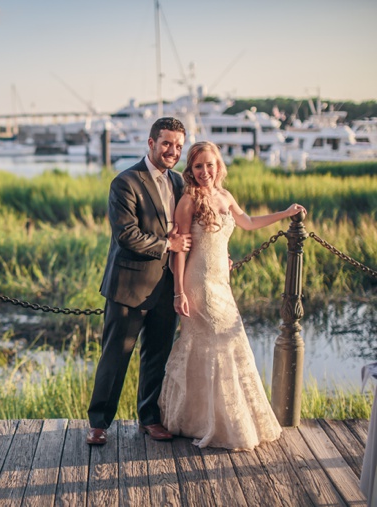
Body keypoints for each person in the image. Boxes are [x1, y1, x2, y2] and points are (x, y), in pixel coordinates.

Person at [159, 140, 306, 451]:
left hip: (221, 283)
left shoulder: (225, 196)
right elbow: (181, 252)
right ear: (191, 169)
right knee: (211, 344)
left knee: (230, 341)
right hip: (198, 283)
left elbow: (249, 223)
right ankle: (201, 420)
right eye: (198, 166)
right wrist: (179, 292)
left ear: (218, 165)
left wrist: (286, 212)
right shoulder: (188, 201)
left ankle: (220, 418)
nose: (204, 171)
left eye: (209, 164)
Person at [87, 117, 192, 446]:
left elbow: (189, 230)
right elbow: (126, 234)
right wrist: (167, 245)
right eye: (166, 144)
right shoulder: (125, 182)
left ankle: (149, 418)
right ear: (150, 143)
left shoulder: (179, 183)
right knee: (115, 357)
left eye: (178, 145)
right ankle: (99, 423)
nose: (172, 151)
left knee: (156, 357)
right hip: (128, 287)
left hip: (167, 287)